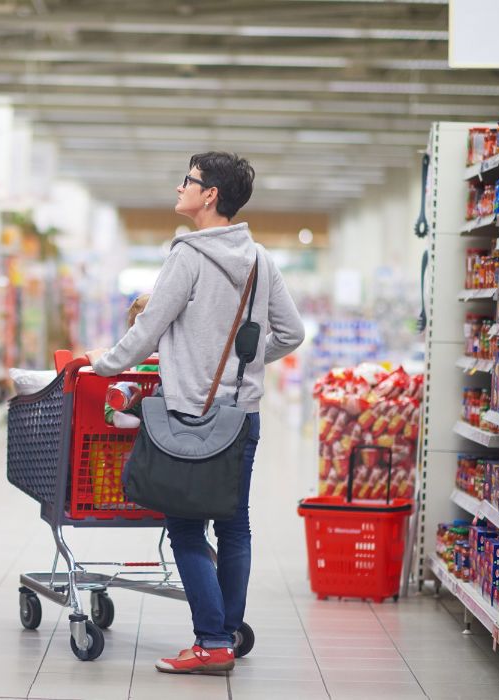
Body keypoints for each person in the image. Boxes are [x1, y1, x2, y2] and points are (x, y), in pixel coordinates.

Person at [85, 152, 305, 675]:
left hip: (189, 414)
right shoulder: (259, 259)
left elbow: (148, 331)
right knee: (234, 527)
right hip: (240, 416)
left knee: (185, 531)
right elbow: (292, 333)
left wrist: (104, 364)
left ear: (209, 196)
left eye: (189, 180)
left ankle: (211, 642)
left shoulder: (187, 256)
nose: (180, 186)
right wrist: (243, 366)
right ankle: (225, 632)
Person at [103, 294, 157, 430]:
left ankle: (116, 414)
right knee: (120, 391)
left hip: (148, 401)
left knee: (113, 398)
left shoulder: (143, 354)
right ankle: (119, 415)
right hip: (141, 401)